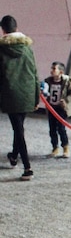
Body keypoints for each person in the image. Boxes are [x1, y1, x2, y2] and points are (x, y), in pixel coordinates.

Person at [0, 15, 39, 181]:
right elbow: (35, 73)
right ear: (16, 28)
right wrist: (36, 96)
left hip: (10, 93)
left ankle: (28, 167)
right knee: (19, 126)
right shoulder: (27, 48)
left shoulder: (1, 49)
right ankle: (14, 156)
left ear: (3, 30)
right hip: (28, 92)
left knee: (18, 129)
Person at [43, 61, 71, 158]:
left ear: (61, 72)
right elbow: (44, 91)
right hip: (51, 108)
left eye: (54, 69)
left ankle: (65, 147)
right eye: (52, 68)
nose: (52, 71)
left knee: (61, 128)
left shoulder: (67, 81)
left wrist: (66, 100)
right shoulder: (48, 81)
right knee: (52, 129)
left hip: (61, 109)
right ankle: (55, 147)